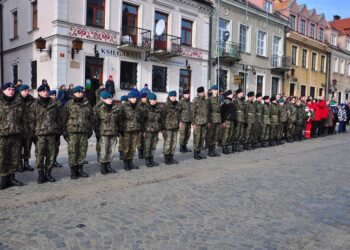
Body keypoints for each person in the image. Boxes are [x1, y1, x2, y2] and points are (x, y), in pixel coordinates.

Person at [30, 85, 62, 184]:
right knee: (40, 155)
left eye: (47, 90)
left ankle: (48, 173)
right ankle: (41, 175)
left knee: (50, 155)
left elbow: (59, 118)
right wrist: (32, 135)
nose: (45, 92)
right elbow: (31, 121)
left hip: (52, 133)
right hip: (39, 135)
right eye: (43, 91)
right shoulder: (34, 105)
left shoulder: (54, 104)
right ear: (39, 92)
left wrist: (58, 131)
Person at [0, 83, 27, 189]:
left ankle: (12, 178)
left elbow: (24, 119)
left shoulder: (19, 102)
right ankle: (4, 179)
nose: (11, 91)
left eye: (12, 89)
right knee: (2, 157)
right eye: (8, 89)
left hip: (16, 134)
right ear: (3, 90)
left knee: (15, 157)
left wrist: (25, 132)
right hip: (2, 135)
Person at [63, 86, 93, 179]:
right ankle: (73, 171)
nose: (80, 93)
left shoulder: (87, 104)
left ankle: (80, 170)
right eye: (78, 92)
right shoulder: (69, 104)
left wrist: (90, 130)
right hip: (72, 132)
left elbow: (91, 118)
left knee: (82, 151)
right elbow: (64, 117)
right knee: (72, 151)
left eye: (81, 92)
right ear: (74, 93)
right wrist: (64, 130)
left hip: (84, 131)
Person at [93, 91, 119, 175]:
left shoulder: (115, 108)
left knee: (111, 150)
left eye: (111, 98)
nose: (110, 100)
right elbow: (96, 121)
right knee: (104, 150)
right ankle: (103, 167)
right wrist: (97, 133)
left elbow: (118, 120)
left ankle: (108, 166)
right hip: (103, 132)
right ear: (103, 99)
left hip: (113, 132)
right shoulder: (99, 108)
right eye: (108, 99)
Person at [120, 90, 142, 171]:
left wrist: (140, 127)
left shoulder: (138, 107)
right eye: (132, 98)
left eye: (135, 97)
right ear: (129, 98)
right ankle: (125, 163)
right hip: (127, 130)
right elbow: (120, 118)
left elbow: (140, 118)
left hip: (135, 129)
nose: (134, 99)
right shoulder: (124, 106)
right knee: (126, 147)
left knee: (133, 147)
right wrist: (121, 130)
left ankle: (130, 162)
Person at [18, 84, 35, 173]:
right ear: (20, 91)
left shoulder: (32, 100)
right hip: (18, 128)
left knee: (28, 146)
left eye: (28, 90)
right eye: (25, 90)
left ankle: (26, 163)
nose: (27, 92)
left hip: (29, 128)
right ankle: (19, 164)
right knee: (19, 147)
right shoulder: (16, 100)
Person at [143, 93, 163, 167]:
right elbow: (142, 120)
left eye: (155, 99)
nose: (154, 101)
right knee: (148, 145)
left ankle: (151, 158)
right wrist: (143, 131)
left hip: (156, 129)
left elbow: (161, 119)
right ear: (149, 100)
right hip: (148, 130)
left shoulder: (159, 108)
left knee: (153, 145)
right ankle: (147, 160)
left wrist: (160, 127)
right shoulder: (145, 108)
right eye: (152, 99)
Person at [162, 91, 180, 165]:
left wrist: (180, 122)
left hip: (175, 126)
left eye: (175, 96)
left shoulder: (178, 104)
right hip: (168, 127)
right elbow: (163, 117)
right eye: (172, 96)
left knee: (174, 142)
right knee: (168, 142)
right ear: (169, 97)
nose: (174, 97)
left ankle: (171, 157)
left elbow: (179, 114)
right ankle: (166, 158)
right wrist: (163, 128)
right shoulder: (166, 105)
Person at [191, 86, 208, 160]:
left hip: (204, 122)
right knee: (197, 138)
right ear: (200, 92)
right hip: (197, 122)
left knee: (202, 138)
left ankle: (200, 152)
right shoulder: (195, 100)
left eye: (204, 91)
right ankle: (196, 153)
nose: (204, 93)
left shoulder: (204, 100)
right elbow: (192, 112)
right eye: (203, 92)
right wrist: (193, 123)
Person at [207, 85, 221, 157]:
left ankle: (213, 149)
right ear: (212, 90)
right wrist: (208, 121)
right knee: (211, 135)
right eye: (215, 90)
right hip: (212, 119)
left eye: (217, 90)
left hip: (218, 119)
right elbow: (208, 111)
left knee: (215, 135)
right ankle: (210, 151)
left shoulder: (218, 99)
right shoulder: (209, 99)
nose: (216, 91)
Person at [220, 90, 236, 154]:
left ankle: (227, 147)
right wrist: (223, 122)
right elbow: (222, 113)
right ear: (228, 95)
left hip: (232, 121)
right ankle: (224, 148)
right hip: (227, 121)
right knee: (226, 135)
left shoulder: (232, 102)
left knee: (230, 134)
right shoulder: (225, 102)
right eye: (231, 94)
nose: (232, 95)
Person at [137, 93, 148, 159]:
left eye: (146, 97)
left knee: (145, 139)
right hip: (140, 124)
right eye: (144, 98)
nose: (145, 99)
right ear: (142, 98)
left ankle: (144, 152)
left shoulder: (147, 104)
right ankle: (140, 152)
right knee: (139, 139)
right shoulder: (139, 105)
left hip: (146, 124)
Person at [118, 95, 128, 160]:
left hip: (123, 127)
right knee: (122, 141)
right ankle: (122, 154)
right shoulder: (122, 108)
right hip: (123, 127)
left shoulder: (119, 107)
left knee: (122, 141)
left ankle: (122, 153)